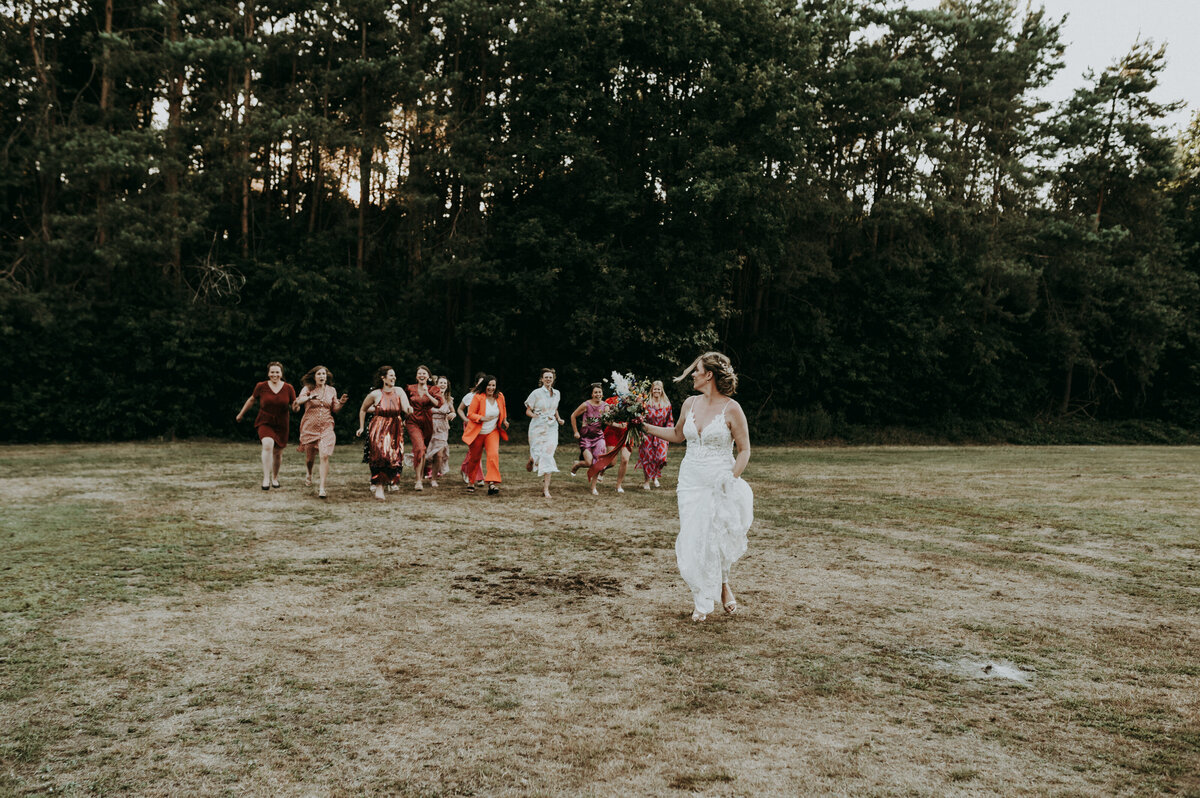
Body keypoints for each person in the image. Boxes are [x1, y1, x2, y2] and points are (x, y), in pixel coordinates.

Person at [640, 352, 753, 623]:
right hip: (690, 481)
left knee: (715, 538)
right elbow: (678, 435)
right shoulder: (689, 403)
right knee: (693, 538)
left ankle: (718, 588)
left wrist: (732, 477)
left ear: (709, 375)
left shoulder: (732, 408)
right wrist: (643, 426)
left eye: (697, 370)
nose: (692, 374)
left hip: (719, 481)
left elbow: (745, 450)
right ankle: (704, 593)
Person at [236, 362, 296, 490]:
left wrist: (298, 406)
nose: (274, 374)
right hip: (265, 421)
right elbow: (251, 400)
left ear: (281, 373)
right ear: (268, 373)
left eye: (277, 372)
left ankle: (275, 478)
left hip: (282, 423)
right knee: (268, 444)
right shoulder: (261, 386)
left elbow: (295, 406)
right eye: (272, 372)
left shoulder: (288, 388)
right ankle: (266, 478)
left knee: (278, 453)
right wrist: (241, 414)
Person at [356, 366, 413, 500]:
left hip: (395, 427)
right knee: (380, 456)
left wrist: (409, 410)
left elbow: (405, 408)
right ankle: (379, 486)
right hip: (378, 427)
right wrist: (361, 427)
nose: (394, 378)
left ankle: (390, 481)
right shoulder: (375, 394)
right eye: (391, 375)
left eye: (394, 375)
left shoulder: (399, 391)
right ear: (383, 378)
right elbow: (363, 409)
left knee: (393, 458)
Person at [293, 365, 349, 499]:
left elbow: (335, 408)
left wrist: (341, 403)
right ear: (314, 376)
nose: (322, 376)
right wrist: (309, 398)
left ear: (327, 376)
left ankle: (322, 488)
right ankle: (309, 473)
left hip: (326, 427)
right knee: (309, 458)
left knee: (324, 455)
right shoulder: (308, 389)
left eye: (324, 374)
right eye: (319, 374)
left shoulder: (332, 390)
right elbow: (298, 401)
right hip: (309, 427)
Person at [461, 375, 509, 495]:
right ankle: (471, 482)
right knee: (474, 458)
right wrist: (482, 418)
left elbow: (503, 409)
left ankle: (492, 483)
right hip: (478, 432)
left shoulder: (500, 396)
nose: (491, 388)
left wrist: (504, 420)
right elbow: (470, 414)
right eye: (489, 385)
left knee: (493, 455)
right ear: (485, 386)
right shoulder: (478, 397)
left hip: (492, 432)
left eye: (493, 385)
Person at [525, 368, 564, 498]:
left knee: (548, 455)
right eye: (546, 377)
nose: (548, 379)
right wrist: (535, 417)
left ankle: (546, 489)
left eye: (550, 377)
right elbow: (528, 411)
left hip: (552, 427)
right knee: (537, 454)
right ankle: (532, 460)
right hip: (537, 427)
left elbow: (555, 409)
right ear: (541, 379)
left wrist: (558, 418)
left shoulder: (557, 393)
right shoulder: (536, 393)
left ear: (553, 379)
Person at [404, 365, 443, 492]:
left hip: (427, 422)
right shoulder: (409, 388)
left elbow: (438, 403)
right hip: (413, 421)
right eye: (419, 373)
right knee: (419, 448)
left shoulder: (433, 389)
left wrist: (427, 393)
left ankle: (422, 474)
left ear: (428, 376)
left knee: (423, 450)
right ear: (416, 376)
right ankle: (418, 481)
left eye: (424, 373)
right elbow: (402, 402)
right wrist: (403, 416)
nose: (421, 375)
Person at [636, 380, 674, 490]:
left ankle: (655, 475)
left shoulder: (667, 404)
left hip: (662, 434)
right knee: (648, 458)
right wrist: (641, 433)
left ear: (662, 390)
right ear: (651, 390)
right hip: (647, 434)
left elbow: (670, 420)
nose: (656, 390)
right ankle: (647, 481)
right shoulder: (646, 403)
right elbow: (639, 419)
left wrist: (669, 432)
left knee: (661, 458)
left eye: (659, 389)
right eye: (655, 389)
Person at [569, 383, 606, 496]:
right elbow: (573, 416)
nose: (598, 394)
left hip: (599, 437)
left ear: (602, 394)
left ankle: (593, 488)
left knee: (597, 463)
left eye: (599, 392)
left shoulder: (605, 406)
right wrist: (576, 431)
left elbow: (609, 420)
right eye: (595, 392)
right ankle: (577, 465)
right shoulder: (586, 405)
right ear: (591, 394)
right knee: (589, 462)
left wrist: (620, 425)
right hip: (585, 438)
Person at [423, 376, 454, 487]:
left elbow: (453, 412)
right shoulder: (430, 397)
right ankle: (423, 471)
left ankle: (434, 479)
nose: (443, 385)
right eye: (441, 382)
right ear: (436, 384)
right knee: (426, 453)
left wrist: (452, 414)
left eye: (445, 383)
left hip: (442, 427)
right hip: (429, 426)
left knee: (439, 454)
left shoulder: (449, 399)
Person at [457, 371, 487, 486]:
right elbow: (459, 409)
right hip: (470, 426)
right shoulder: (469, 396)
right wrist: (465, 419)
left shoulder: (487, 397)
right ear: (476, 384)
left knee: (476, 451)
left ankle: (465, 468)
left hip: (483, 427)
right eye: (480, 383)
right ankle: (479, 478)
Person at [601, 395, 632, 494]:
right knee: (612, 461)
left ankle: (618, 485)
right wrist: (617, 425)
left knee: (625, 459)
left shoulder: (633, 400)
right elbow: (605, 419)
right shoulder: (610, 401)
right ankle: (601, 470)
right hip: (613, 432)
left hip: (626, 433)